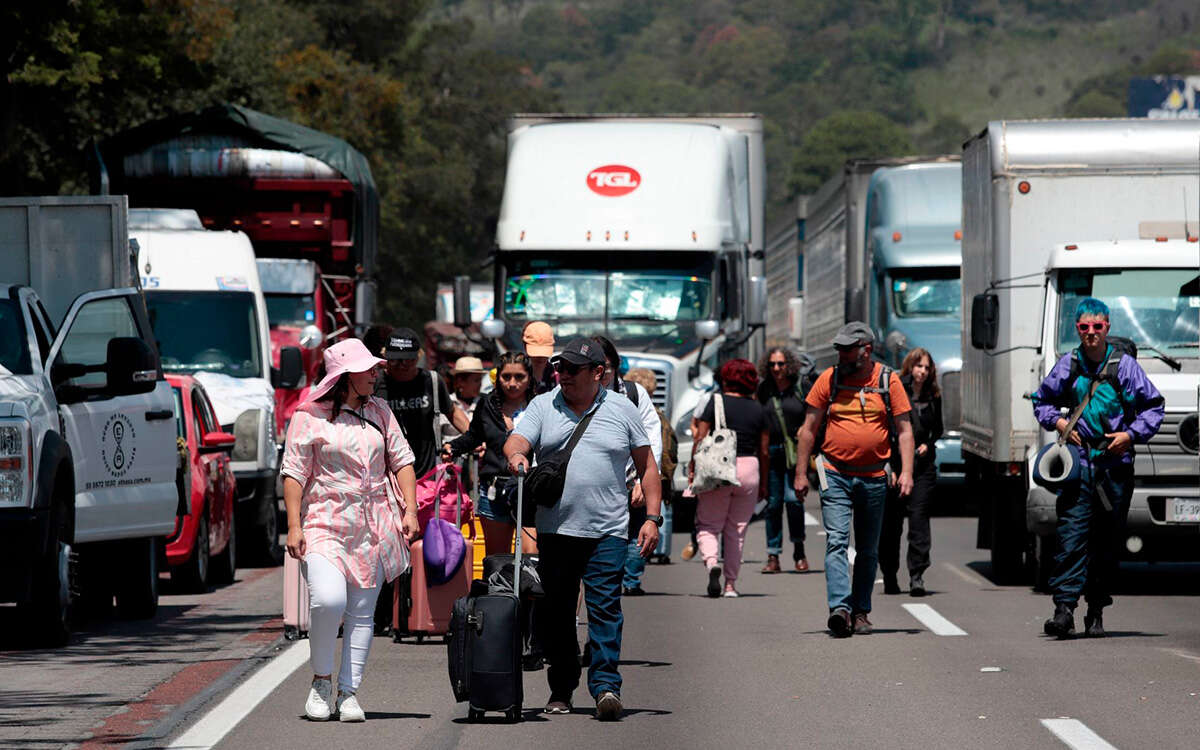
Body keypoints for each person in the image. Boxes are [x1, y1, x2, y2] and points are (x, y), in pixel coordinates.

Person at [504, 338, 662, 721]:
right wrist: (518, 455)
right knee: (556, 613)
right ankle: (562, 685)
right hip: (556, 530)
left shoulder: (623, 409)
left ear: (598, 373)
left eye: (574, 369)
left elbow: (648, 467)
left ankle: (606, 686)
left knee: (605, 608)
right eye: (561, 368)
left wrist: (654, 519)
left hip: (608, 530)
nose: (564, 375)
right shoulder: (545, 404)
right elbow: (517, 440)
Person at [280, 338, 419, 723]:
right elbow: (293, 474)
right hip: (324, 520)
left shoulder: (381, 412)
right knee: (328, 600)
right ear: (345, 376)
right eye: (368, 369)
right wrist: (293, 526)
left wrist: (410, 510)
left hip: (374, 524)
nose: (376, 373)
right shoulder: (308, 416)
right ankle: (321, 681)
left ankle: (348, 692)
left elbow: (402, 461)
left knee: (362, 611)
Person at [1031, 297, 1163, 639]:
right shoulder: (1069, 364)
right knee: (1071, 536)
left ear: (1107, 328)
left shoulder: (1125, 367)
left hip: (1115, 467)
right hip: (1080, 466)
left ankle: (1096, 608)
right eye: (1084, 327)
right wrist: (1060, 423)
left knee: (1106, 541)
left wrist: (1130, 435)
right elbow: (1042, 401)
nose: (1091, 333)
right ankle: (1063, 610)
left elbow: (1153, 407)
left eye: (1097, 327)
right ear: (1077, 329)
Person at [794, 322, 915, 637]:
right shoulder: (829, 379)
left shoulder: (889, 381)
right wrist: (800, 473)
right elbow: (807, 429)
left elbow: (904, 430)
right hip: (834, 473)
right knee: (836, 541)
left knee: (867, 549)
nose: (842, 353)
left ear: (866, 349)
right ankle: (840, 609)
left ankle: (861, 611)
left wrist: (906, 472)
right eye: (839, 348)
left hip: (874, 477)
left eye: (848, 348)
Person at [443, 351, 538, 557]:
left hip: (531, 490)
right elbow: (474, 436)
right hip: (494, 490)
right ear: (498, 378)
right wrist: (453, 448)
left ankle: (527, 591)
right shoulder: (487, 404)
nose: (512, 383)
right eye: (506, 377)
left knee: (532, 558)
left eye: (519, 377)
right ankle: (498, 591)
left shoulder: (540, 405)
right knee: (497, 561)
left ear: (529, 378)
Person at [689, 358, 769, 598]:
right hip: (749, 469)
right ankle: (731, 585)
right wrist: (764, 482)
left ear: (725, 379)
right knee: (737, 529)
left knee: (709, 525)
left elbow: (700, 439)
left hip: (717, 468)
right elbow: (764, 451)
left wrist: (693, 468)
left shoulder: (715, 403)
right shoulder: (759, 409)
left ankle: (713, 562)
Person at [591, 337, 663, 597]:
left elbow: (652, 439)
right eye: (594, 367)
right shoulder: (571, 395)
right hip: (588, 490)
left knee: (632, 534)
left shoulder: (633, 394)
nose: (600, 375)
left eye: (606, 368)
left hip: (629, 482)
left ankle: (626, 580)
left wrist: (645, 481)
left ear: (616, 366)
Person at [879, 347, 943, 597]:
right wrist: (889, 466)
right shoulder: (897, 390)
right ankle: (890, 574)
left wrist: (929, 442)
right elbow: (886, 428)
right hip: (895, 465)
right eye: (919, 366)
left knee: (919, 522)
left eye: (927, 368)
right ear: (910, 367)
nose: (923, 372)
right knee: (891, 525)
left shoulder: (933, 394)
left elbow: (938, 428)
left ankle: (917, 575)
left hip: (923, 468)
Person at [377, 327, 470, 477]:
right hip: (386, 475)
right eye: (394, 360)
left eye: (408, 360)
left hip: (427, 474)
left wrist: (474, 438)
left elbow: (452, 412)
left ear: (418, 357)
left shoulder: (431, 381)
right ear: (385, 357)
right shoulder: (374, 384)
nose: (402, 365)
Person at [756, 347, 815, 574]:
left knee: (793, 501)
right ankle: (773, 555)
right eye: (772, 365)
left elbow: (815, 414)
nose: (777, 369)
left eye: (780, 364)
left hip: (795, 453)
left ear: (788, 365)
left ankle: (799, 551)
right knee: (772, 505)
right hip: (770, 453)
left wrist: (805, 430)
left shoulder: (800, 387)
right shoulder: (764, 389)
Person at [442, 355, 487, 442]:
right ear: (461, 381)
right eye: (476, 381)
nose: (480, 384)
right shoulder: (445, 403)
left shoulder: (486, 403)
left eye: (480, 380)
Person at [523, 320, 558, 395]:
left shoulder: (557, 373)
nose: (540, 357)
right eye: (535, 351)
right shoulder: (515, 372)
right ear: (524, 346)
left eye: (543, 351)